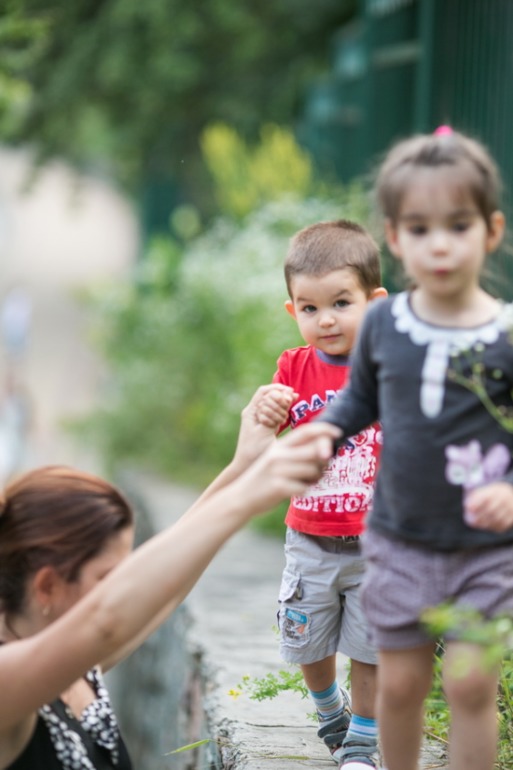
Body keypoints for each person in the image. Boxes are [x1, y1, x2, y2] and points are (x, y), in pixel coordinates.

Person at [0, 384, 340, 770]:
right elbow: (104, 620)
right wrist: (249, 494)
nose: (124, 586)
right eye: (106, 576)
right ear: (47, 586)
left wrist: (243, 466)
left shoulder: (76, 667)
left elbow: (162, 590)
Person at [319, 128, 513, 770]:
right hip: (399, 540)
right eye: (420, 228)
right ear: (395, 237)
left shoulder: (505, 334)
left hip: (486, 552)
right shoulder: (384, 324)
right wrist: (322, 435)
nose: (440, 244)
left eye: (457, 225)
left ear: (491, 230)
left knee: (468, 682)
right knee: (401, 685)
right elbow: (356, 403)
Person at [261, 220, 387, 769]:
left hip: (377, 544)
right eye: (309, 308)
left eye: (341, 302)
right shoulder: (295, 367)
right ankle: (327, 706)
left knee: (370, 646)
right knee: (309, 646)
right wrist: (268, 408)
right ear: (293, 311)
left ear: (375, 304)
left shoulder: (388, 368)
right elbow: (271, 421)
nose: (326, 319)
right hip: (309, 540)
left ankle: (361, 739)